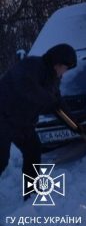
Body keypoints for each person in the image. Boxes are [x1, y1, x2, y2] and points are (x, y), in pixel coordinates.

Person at [0, 44, 77, 189]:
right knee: (1, 160)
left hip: (23, 123)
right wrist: (49, 101)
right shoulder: (32, 65)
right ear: (57, 63)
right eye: (65, 68)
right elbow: (27, 87)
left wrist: (75, 124)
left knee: (33, 150)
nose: (64, 73)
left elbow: (57, 103)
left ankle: (31, 191)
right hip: (3, 116)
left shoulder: (53, 79)